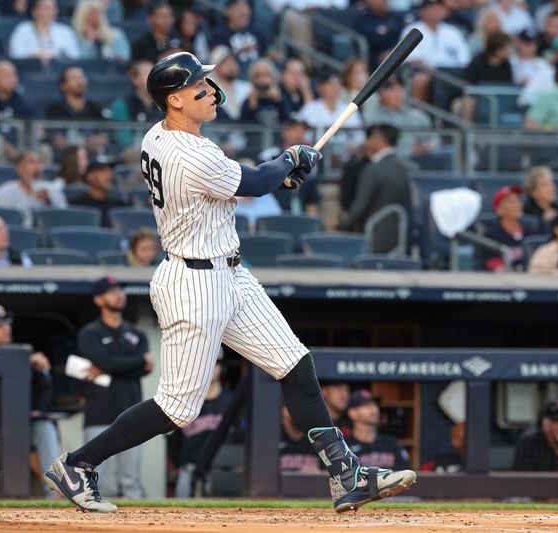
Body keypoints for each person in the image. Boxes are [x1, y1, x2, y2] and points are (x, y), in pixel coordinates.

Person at [44, 51, 415, 513]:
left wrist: (278, 174)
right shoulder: (188, 153)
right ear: (174, 100)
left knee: (295, 365)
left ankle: (347, 474)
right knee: (178, 408)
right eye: (199, 86)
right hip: (194, 283)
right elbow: (254, 181)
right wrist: (289, 159)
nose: (212, 92)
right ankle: (78, 464)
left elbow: (247, 182)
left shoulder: (159, 135)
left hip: (230, 273)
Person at [77, 276, 154, 499]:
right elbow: (112, 363)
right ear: (99, 300)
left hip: (132, 411)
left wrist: (111, 366)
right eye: (111, 291)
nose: (119, 294)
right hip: (100, 411)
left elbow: (142, 368)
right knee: (96, 477)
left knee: (131, 480)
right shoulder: (90, 333)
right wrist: (137, 361)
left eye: (120, 289)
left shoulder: (136, 333)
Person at [0, 303, 60, 491]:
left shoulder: (24, 355)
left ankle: (56, 490)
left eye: (7, 323)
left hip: (23, 426)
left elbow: (45, 387)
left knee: (44, 426)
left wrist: (42, 371)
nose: (6, 328)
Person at [338, 124, 413, 254]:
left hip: (374, 239)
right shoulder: (410, 168)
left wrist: (341, 225)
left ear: (379, 139)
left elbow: (359, 207)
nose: (367, 141)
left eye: (371, 137)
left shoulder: (373, 170)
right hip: (405, 238)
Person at [170, 357, 235, 497]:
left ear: (221, 368)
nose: (211, 369)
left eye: (215, 364)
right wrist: (180, 464)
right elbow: (173, 440)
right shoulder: (186, 403)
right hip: (189, 468)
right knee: (181, 512)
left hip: (221, 469)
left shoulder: (232, 402)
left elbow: (241, 436)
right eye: (206, 363)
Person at [402, 0, 471, 101]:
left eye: (439, 8)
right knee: (421, 80)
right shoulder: (412, 29)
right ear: (422, 11)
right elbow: (412, 59)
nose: (437, 11)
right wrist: (431, 70)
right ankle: (419, 114)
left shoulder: (453, 32)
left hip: (452, 74)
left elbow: (465, 60)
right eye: (432, 8)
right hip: (427, 73)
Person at [256, 119, 321, 216]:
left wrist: (311, 222)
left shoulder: (309, 161)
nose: (299, 134)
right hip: (270, 216)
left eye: (302, 131)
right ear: (284, 132)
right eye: (295, 130)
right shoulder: (269, 157)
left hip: (300, 219)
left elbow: (311, 200)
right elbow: (258, 189)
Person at [0, 152, 67, 227]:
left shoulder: (53, 189)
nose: (37, 166)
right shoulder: (5, 191)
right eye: (31, 162)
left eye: (39, 162)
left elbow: (65, 220)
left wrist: (49, 202)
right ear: (19, 167)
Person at [44, 67, 108, 154]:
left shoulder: (95, 107)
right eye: (74, 78)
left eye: (82, 77)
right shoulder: (54, 109)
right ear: (63, 85)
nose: (80, 81)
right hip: (63, 155)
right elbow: (50, 135)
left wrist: (100, 138)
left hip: (91, 153)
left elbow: (105, 132)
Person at [345, 390, 411, 470]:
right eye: (366, 405)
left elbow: (406, 474)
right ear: (352, 413)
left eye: (374, 404)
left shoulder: (392, 444)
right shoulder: (345, 446)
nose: (373, 409)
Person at [208, 0, 267, 76]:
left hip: (256, 77)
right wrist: (240, 51)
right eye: (239, 9)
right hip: (231, 78)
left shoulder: (259, 33)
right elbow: (216, 61)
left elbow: (266, 54)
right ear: (227, 11)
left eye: (246, 8)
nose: (244, 13)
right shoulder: (219, 34)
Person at [8, 0, 81, 61]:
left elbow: (74, 57)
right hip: (31, 70)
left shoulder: (66, 31)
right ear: (34, 11)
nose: (48, 12)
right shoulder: (22, 30)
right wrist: (34, 56)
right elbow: (15, 56)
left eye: (51, 8)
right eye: (44, 8)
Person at [68, 160, 128, 227]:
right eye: (102, 171)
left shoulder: (119, 204)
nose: (108, 175)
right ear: (90, 176)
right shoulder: (77, 203)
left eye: (109, 171)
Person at [481, 185, 527, 271]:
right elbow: (494, 267)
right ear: (499, 210)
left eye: (518, 200)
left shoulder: (533, 231)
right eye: (511, 202)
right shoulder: (491, 237)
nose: (517, 205)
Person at [354, 0, 405, 67]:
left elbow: (402, 37)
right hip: (372, 56)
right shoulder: (362, 19)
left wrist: (392, 50)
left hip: (396, 52)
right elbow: (365, 41)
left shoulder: (396, 18)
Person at [207, 46, 252, 121]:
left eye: (233, 61)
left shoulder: (248, 87)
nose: (231, 65)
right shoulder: (210, 90)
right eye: (225, 63)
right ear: (216, 68)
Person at [240, 58, 289, 126]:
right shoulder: (248, 102)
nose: (262, 80)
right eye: (257, 76)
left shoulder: (282, 98)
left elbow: (288, 122)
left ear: (272, 77)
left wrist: (279, 102)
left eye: (265, 75)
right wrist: (252, 107)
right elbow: (244, 127)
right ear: (252, 79)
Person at [279, 404, 323, 471]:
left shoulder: (317, 437)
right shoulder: (273, 437)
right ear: (283, 410)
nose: (297, 412)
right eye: (292, 407)